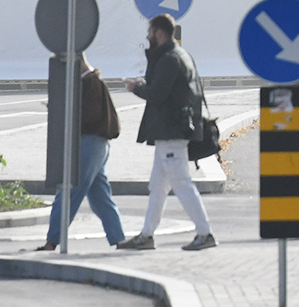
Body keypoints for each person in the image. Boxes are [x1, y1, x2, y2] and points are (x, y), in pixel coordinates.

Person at [124, 14, 216, 251]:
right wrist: (147, 83)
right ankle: (147, 235)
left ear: (160, 33)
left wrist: (137, 88)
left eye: (150, 31)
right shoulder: (181, 55)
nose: (147, 36)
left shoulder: (169, 59)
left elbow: (158, 95)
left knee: (182, 183)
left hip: (171, 132)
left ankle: (205, 233)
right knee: (158, 185)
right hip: (173, 131)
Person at [39, 51, 126, 253]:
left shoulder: (89, 83)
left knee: (68, 189)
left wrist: (60, 111)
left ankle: (52, 241)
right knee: (100, 197)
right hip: (98, 145)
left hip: (89, 144)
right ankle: (119, 239)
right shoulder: (93, 81)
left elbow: (86, 117)